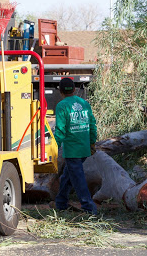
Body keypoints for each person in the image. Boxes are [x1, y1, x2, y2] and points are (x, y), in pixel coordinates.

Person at [54, 78, 98, 214]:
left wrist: (53, 147)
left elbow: (60, 130)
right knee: (68, 175)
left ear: (60, 91)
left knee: (78, 179)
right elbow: (92, 125)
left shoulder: (62, 105)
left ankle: (89, 208)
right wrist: (92, 142)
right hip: (84, 148)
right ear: (74, 90)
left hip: (72, 150)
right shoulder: (84, 103)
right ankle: (61, 202)